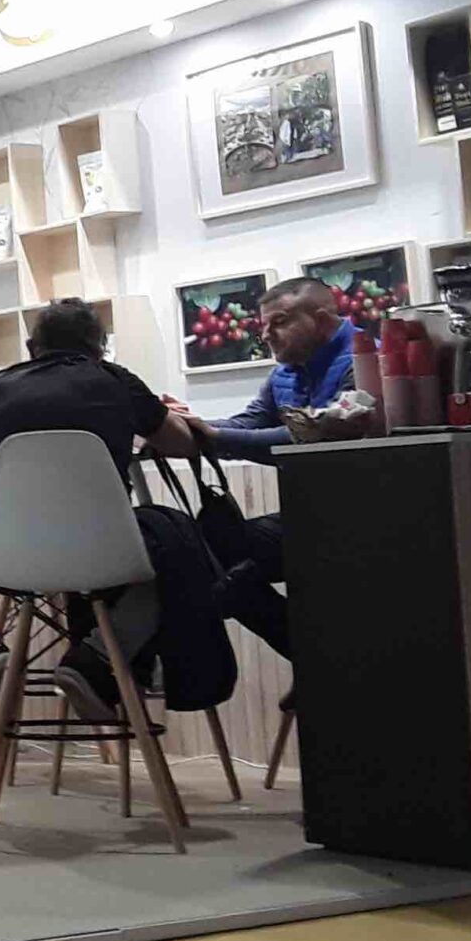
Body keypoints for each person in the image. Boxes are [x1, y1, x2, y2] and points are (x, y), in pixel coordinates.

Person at [0, 297, 204, 710]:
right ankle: (96, 657)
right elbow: (181, 444)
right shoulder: (117, 381)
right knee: (173, 568)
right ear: (99, 347)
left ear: (32, 347)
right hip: (99, 555)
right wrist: (155, 417)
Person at [178, 276, 357, 663]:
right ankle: (316, 658)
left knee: (216, 566)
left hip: (363, 524)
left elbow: (310, 438)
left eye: (280, 322)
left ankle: (321, 661)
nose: (267, 335)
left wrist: (213, 436)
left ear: (321, 319)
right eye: (263, 326)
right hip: (309, 519)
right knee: (203, 548)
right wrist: (185, 425)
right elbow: (248, 424)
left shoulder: (363, 359)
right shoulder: (285, 373)